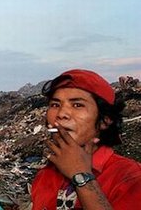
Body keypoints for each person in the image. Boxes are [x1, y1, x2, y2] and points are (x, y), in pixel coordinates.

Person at [31, 69, 141, 209]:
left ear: (104, 120)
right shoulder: (45, 176)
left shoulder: (130, 177)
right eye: (55, 105)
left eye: (77, 105)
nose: (62, 114)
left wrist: (81, 176)